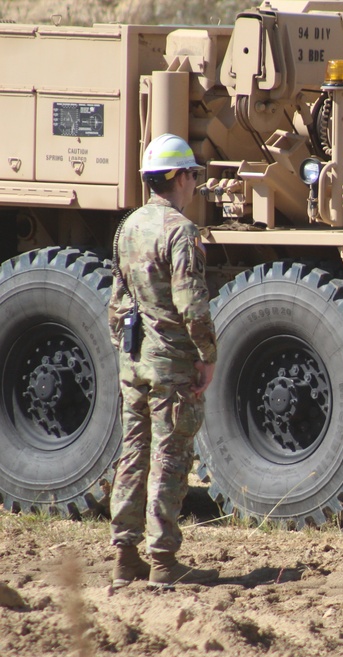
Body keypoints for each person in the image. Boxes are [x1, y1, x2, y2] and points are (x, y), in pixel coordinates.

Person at [108, 133, 219, 588]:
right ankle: (163, 562)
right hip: (171, 364)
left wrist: (128, 350)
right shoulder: (180, 232)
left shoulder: (129, 226)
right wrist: (207, 356)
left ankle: (124, 555)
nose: (196, 184)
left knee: (134, 453)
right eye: (194, 174)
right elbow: (192, 305)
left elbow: (117, 304)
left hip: (134, 362)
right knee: (170, 458)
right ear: (181, 177)